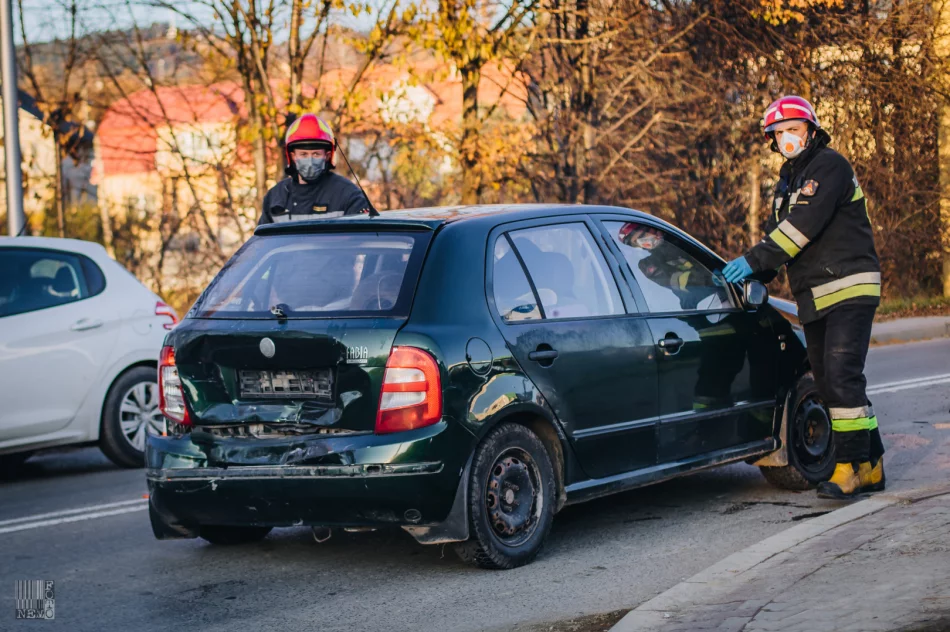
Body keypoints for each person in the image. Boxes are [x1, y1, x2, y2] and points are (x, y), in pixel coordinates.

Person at [722, 95, 884, 499]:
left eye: (793, 129)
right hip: (814, 295)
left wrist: (753, 259)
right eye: (778, 133)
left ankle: (849, 468)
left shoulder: (829, 166)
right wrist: (753, 271)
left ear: (810, 130)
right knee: (831, 383)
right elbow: (784, 244)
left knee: (841, 377)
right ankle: (872, 462)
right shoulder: (785, 182)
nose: (786, 138)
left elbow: (800, 228)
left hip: (848, 287)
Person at [258, 114, 371, 224]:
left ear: (327, 155)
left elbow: (362, 238)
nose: (310, 161)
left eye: (316, 154)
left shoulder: (348, 194)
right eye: (304, 154)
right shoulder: (276, 197)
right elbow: (261, 240)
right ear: (293, 156)